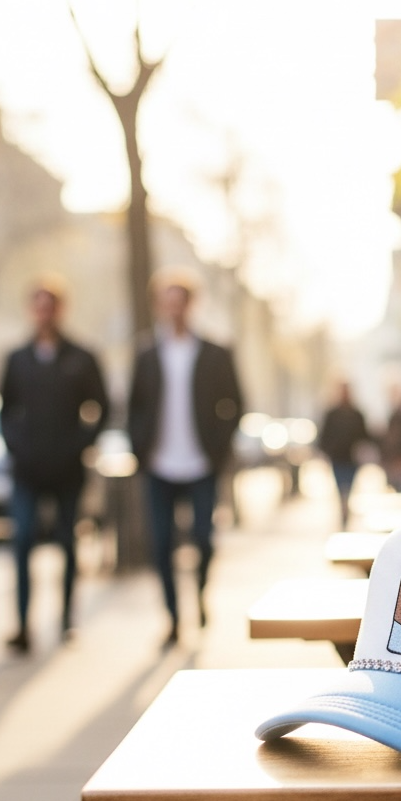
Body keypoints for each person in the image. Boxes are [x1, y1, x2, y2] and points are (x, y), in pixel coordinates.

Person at [127, 268, 244, 647]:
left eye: (181, 303)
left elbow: (236, 404)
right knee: (161, 545)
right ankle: (174, 618)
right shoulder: (146, 355)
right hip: (159, 465)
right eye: (168, 303)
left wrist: (219, 449)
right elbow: (134, 407)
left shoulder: (214, 353)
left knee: (203, 539)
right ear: (160, 306)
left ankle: (201, 596)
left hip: (200, 464)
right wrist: (140, 450)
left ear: (191, 305)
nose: (174, 311)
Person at [0, 275, 109, 653]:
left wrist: (80, 445)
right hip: (27, 470)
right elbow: (5, 411)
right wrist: (17, 447)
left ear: (60, 310)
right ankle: (23, 625)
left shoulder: (81, 357)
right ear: (32, 311)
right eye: (38, 306)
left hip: (67, 470)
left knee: (66, 543)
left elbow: (102, 408)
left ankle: (65, 621)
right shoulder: (17, 359)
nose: (44, 313)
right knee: (23, 542)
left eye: (51, 305)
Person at [318, 380, 369, 528]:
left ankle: (347, 514)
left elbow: (364, 436)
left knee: (350, 491)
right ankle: (343, 516)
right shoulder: (332, 414)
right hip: (338, 459)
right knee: (341, 491)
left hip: (352, 460)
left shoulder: (356, 414)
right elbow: (324, 437)